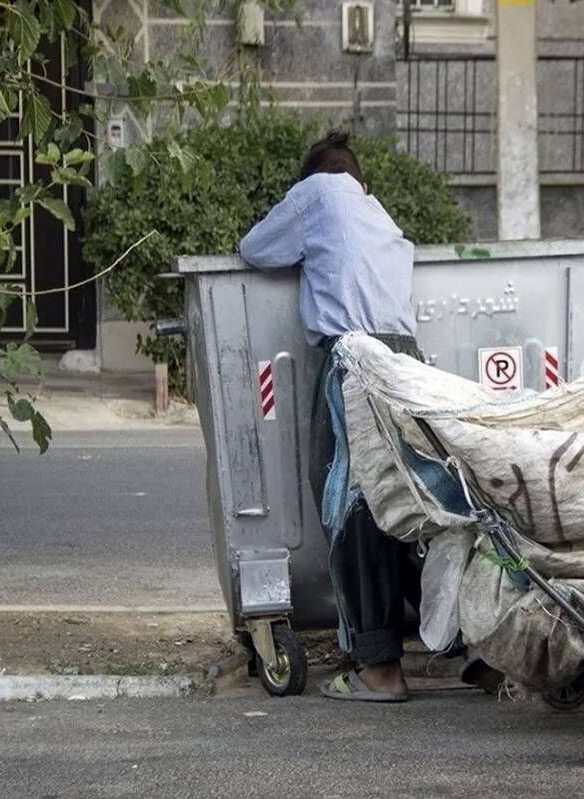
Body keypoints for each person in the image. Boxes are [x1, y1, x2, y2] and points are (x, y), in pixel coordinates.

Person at [239, 131, 422, 702]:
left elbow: (256, 247)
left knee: (352, 504)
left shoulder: (318, 192)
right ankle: (467, 644)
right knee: (412, 502)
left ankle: (379, 669)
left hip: (357, 361)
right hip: (408, 362)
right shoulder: (377, 212)